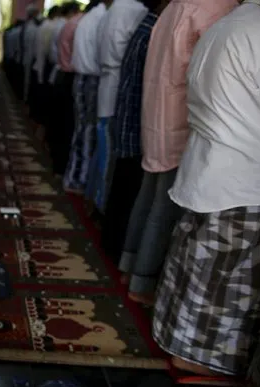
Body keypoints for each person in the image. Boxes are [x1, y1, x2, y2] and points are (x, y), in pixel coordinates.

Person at [153, 0, 260, 380]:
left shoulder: (231, 23)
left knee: (199, 268)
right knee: (227, 279)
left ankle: (175, 341)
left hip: (210, 165)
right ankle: (199, 359)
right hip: (243, 176)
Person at [118, 0, 239, 305]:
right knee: (163, 206)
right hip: (178, 119)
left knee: (148, 196)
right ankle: (142, 281)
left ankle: (128, 266)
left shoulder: (173, 7)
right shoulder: (213, 8)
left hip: (156, 114)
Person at [101, 0, 169, 264]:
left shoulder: (146, 27)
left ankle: (111, 243)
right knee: (128, 191)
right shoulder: (151, 30)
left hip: (128, 119)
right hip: (135, 124)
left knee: (121, 186)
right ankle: (116, 249)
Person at [87, 0, 147, 214]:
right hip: (115, 88)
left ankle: (94, 198)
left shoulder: (112, 10)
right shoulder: (134, 10)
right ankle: (100, 204)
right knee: (107, 155)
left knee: (102, 147)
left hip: (107, 84)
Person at [63, 0, 107, 194]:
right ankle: (79, 179)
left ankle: (75, 176)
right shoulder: (99, 19)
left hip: (81, 78)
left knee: (82, 129)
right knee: (87, 131)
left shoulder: (88, 18)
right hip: (90, 80)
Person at [46, 3, 83, 176]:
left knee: (60, 123)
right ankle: (61, 166)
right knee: (67, 125)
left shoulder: (68, 25)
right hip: (69, 77)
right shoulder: (77, 25)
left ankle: (56, 161)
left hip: (61, 75)